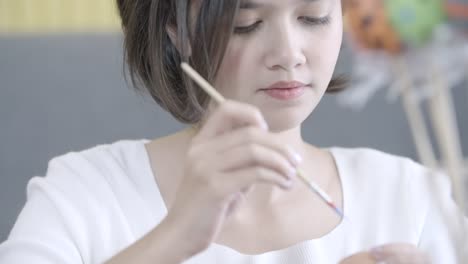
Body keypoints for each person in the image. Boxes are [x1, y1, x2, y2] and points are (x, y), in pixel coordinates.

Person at [0, 0, 466, 263]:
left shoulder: (413, 198)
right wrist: (176, 234)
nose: (288, 53)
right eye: (246, 24)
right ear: (175, 31)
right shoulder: (84, 195)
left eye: (313, 17)